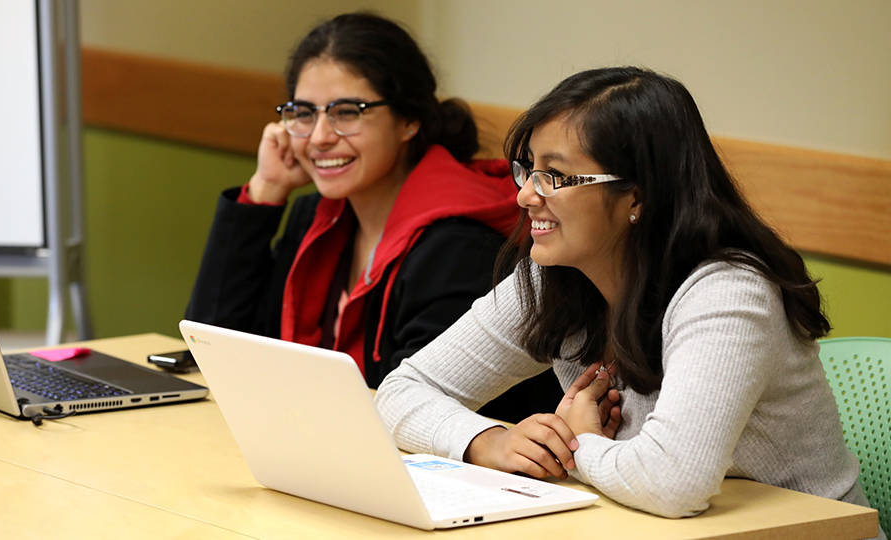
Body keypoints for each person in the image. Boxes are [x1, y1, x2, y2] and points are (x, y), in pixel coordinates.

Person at [375, 66, 884, 536]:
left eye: (554, 175)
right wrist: (486, 442)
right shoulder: (552, 275)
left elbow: (673, 483)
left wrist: (578, 447)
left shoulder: (729, 291)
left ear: (636, 197)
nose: (526, 195)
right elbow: (401, 391)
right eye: (527, 169)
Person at [185, 12, 564, 422]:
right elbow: (213, 347)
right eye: (303, 113)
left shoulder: (459, 243)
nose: (319, 137)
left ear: (409, 120)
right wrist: (265, 191)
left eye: (347, 112)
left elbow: (413, 411)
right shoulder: (318, 215)